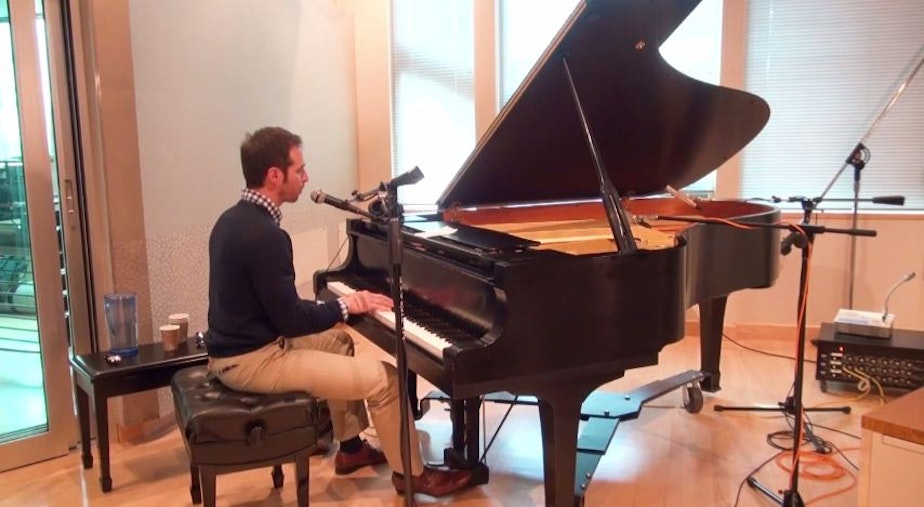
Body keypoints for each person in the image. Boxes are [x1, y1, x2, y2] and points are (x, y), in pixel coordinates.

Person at [205, 126, 472, 497]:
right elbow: (292, 322)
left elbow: (272, 308)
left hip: (237, 350)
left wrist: (334, 311)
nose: (306, 177)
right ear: (274, 175)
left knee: (339, 342)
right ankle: (412, 475)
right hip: (253, 361)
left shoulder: (232, 220)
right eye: (300, 169)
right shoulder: (265, 236)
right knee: (387, 380)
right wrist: (349, 303)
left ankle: (350, 449)